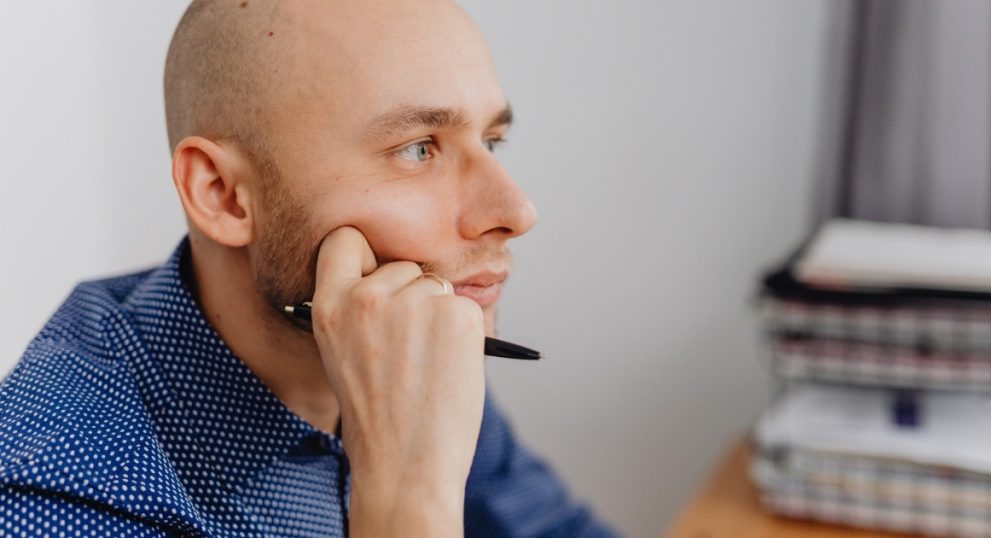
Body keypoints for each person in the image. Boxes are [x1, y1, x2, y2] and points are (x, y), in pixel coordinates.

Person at [0, 1, 619, 536]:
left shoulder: (403, 342)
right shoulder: (60, 494)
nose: (516, 210)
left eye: (490, 142)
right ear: (222, 193)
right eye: (416, 148)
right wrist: (405, 496)